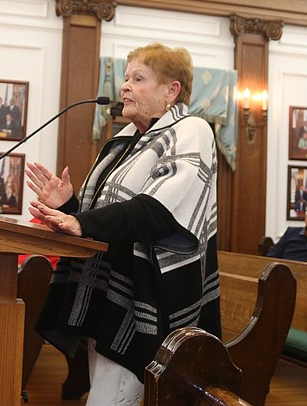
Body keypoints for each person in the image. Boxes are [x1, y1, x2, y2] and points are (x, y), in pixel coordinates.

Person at [25, 42, 221, 405]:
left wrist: (78, 220)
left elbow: (158, 212)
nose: (124, 86)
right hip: (109, 292)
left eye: (138, 78)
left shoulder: (192, 130)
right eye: (125, 78)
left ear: (171, 90)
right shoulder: (124, 141)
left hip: (146, 299)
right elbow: (105, 220)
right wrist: (68, 205)